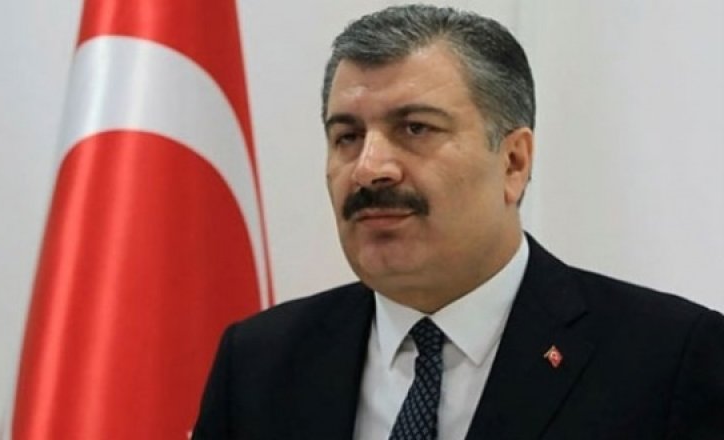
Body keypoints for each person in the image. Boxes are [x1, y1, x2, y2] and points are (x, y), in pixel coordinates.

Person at [193, 4, 724, 439]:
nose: (369, 168)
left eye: (415, 128)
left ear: (513, 162)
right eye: (347, 137)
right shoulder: (259, 362)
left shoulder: (671, 360)